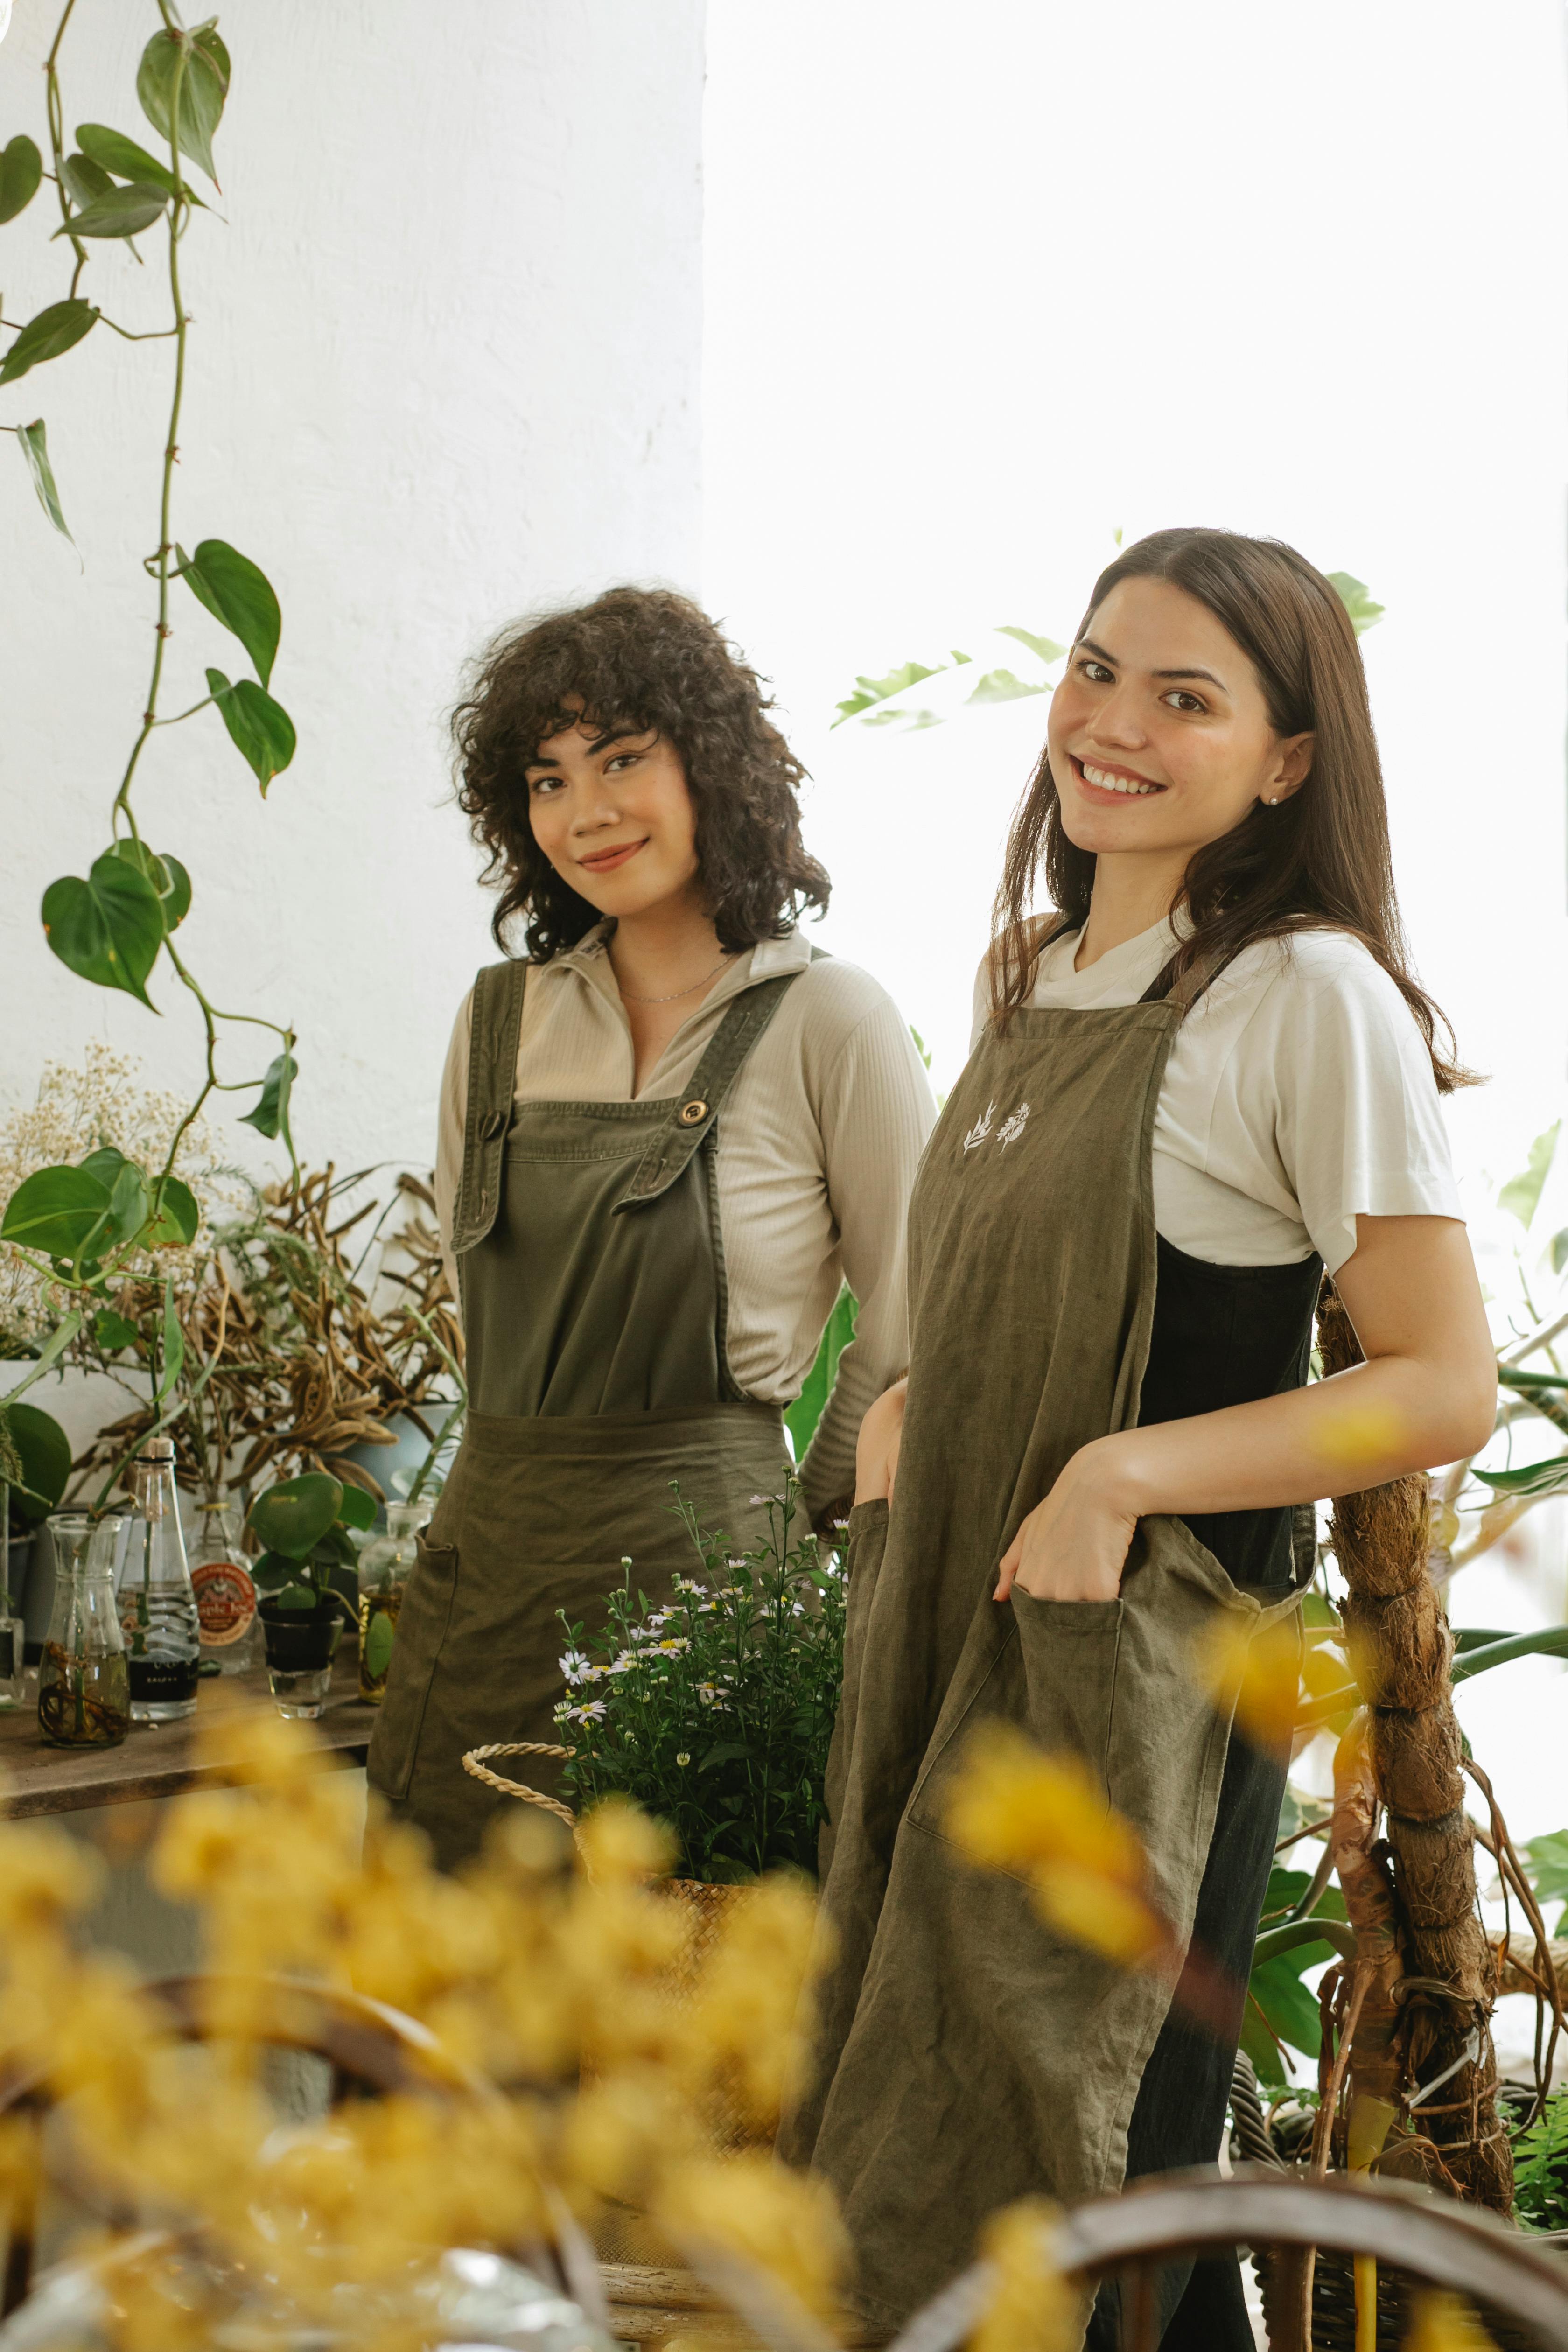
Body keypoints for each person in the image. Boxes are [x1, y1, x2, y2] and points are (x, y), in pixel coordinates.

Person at [781, 529, 1498, 2346]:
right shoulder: (1033, 976)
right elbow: (999, 1285)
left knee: (1064, 2176)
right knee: (895, 2151)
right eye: (1097, 670)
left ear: (1286, 761)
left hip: (1136, 1675)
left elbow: (1436, 1378)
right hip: (942, 1623)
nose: (1111, 723)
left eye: (1186, 696)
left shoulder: (1302, 996)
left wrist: (1121, 1473)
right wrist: (909, 1409)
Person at [367, 587, 935, 1870]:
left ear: (713, 766)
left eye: (625, 759)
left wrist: (781, 1512)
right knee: (435, 2009)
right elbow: (483, 1317)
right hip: (483, 1592)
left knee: (680, 2009)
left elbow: (913, 1331)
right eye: (549, 778)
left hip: (711, 1608)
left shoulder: (828, 1019)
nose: (588, 813)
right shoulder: (498, 1021)